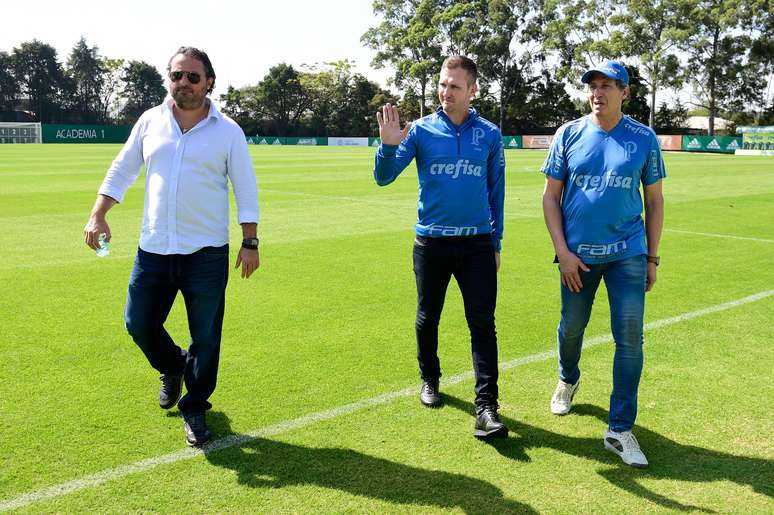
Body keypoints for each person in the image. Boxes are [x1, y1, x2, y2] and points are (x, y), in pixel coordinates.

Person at [83, 47, 260, 447]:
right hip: (155, 250)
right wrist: (98, 213)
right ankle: (172, 366)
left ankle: (195, 408)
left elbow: (245, 187)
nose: (183, 83)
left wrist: (250, 240)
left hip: (207, 254)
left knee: (206, 338)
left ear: (209, 81)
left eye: (192, 77)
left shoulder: (228, 131)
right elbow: (123, 168)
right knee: (138, 323)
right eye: (176, 75)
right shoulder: (150, 121)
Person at [373, 56, 507, 438]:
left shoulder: (490, 134)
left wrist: (496, 241)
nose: (445, 92)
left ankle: (487, 406)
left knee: (483, 323)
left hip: (478, 244)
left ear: (473, 90)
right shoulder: (421, 131)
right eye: (442, 84)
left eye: (454, 86)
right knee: (427, 316)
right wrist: (386, 146)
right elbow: (384, 177)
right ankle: (429, 379)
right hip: (431, 242)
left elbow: (496, 193)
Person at [541, 60, 665, 467]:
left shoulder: (643, 139)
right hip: (577, 258)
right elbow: (550, 197)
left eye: (607, 86)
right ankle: (568, 378)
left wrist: (651, 256)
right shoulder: (569, 134)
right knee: (571, 327)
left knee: (630, 337)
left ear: (625, 92)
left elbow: (655, 201)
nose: (598, 92)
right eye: (593, 86)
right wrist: (562, 252)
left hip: (628, 253)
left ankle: (620, 428)